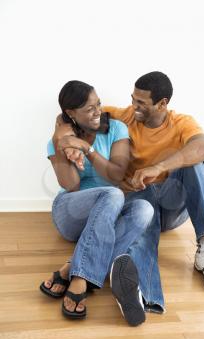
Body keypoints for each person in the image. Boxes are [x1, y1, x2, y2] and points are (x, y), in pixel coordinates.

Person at [103, 71, 204, 313]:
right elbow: (79, 113)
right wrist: (64, 132)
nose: (133, 107)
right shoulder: (125, 115)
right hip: (141, 199)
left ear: (162, 103)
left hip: (173, 205)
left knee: (194, 163)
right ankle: (143, 297)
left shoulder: (181, 122)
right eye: (133, 99)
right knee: (143, 209)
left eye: (141, 102)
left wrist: (159, 167)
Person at [40, 80, 154, 326]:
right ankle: (82, 277)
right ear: (70, 113)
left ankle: (73, 266)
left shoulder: (116, 128)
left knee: (144, 208)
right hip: (70, 212)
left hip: (108, 213)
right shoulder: (58, 141)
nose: (97, 112)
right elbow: (70, 185)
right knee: (113, 195)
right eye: (89, 109)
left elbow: (115, 174)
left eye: (98, 105)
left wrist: (86, 148)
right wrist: (64, 148)